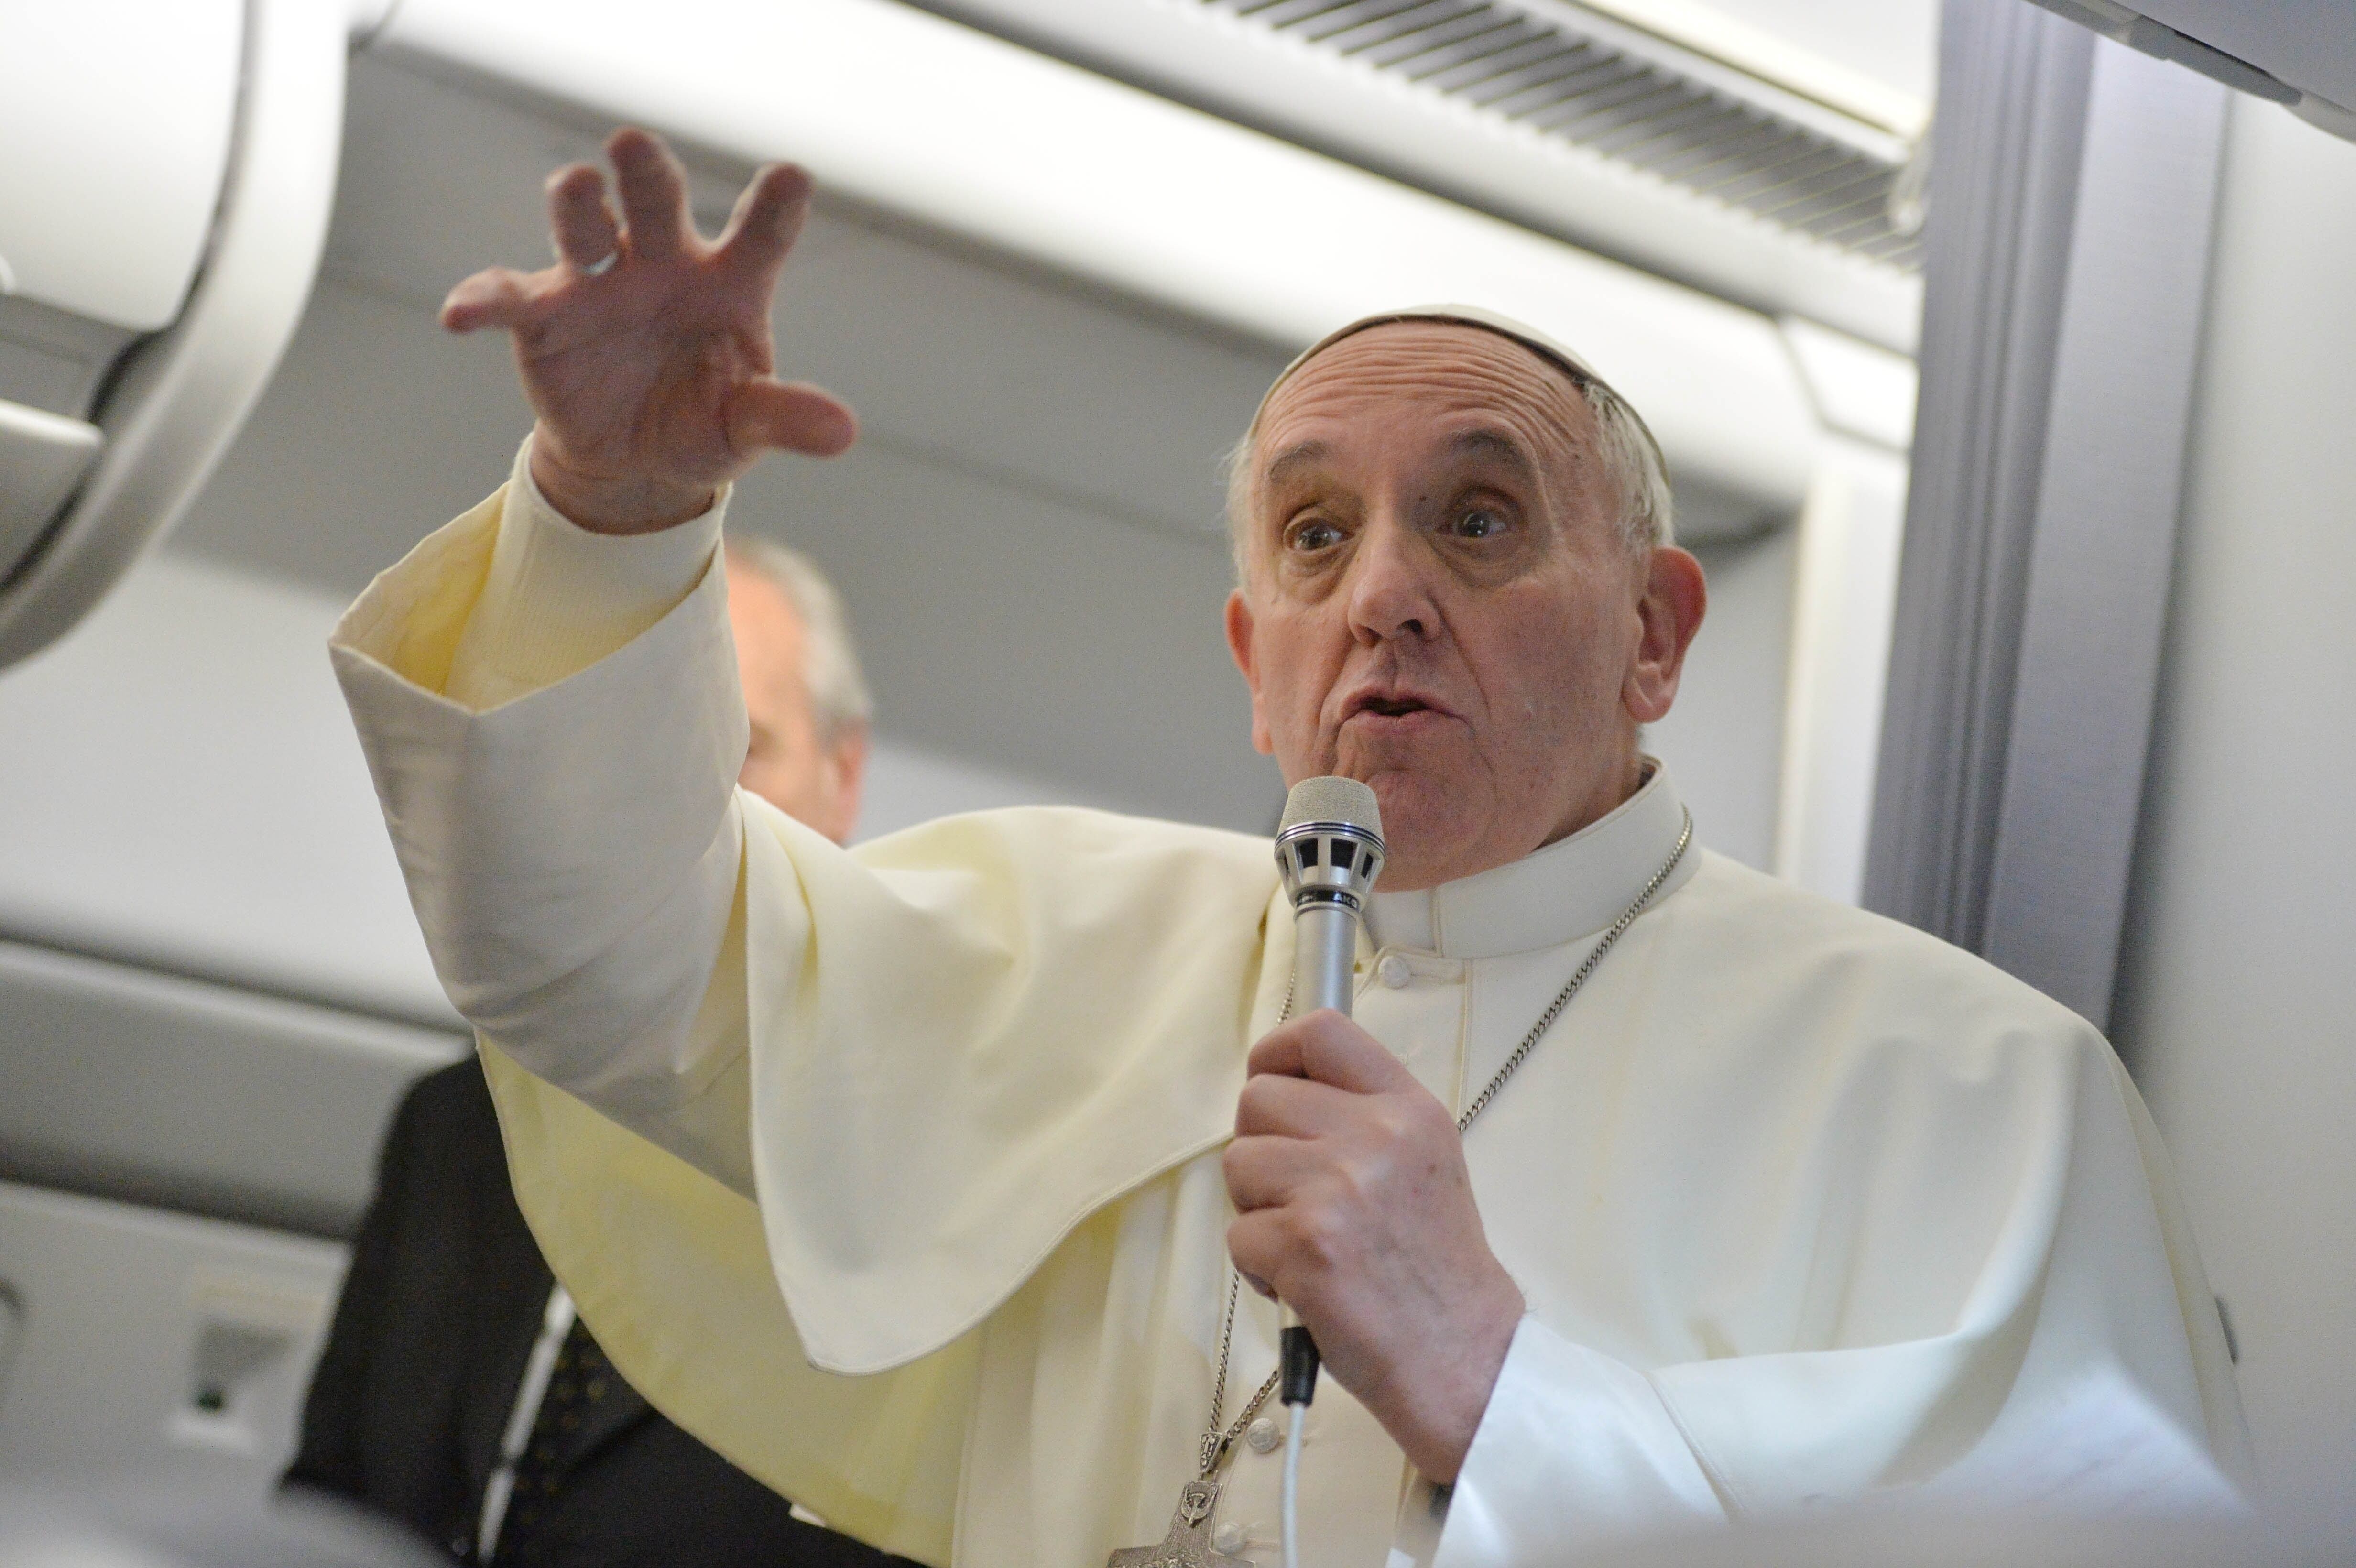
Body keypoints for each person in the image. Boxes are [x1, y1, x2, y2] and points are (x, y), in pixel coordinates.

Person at [327, 129, 2251, 1567]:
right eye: (1316, 536)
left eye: (1480, 520)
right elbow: (599, 962)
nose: (1387, 592)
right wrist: (606, 522)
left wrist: (1506, 1392)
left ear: (1653, 633)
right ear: (1258, 666)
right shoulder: (1057, 941)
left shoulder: (1973, 1095)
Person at [290, 530, 899, 1568]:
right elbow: (324, 1502)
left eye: (740, 744)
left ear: (843, 777)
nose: (690, 800)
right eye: (642, 753)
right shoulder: (455, 1124)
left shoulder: (913, 1175)